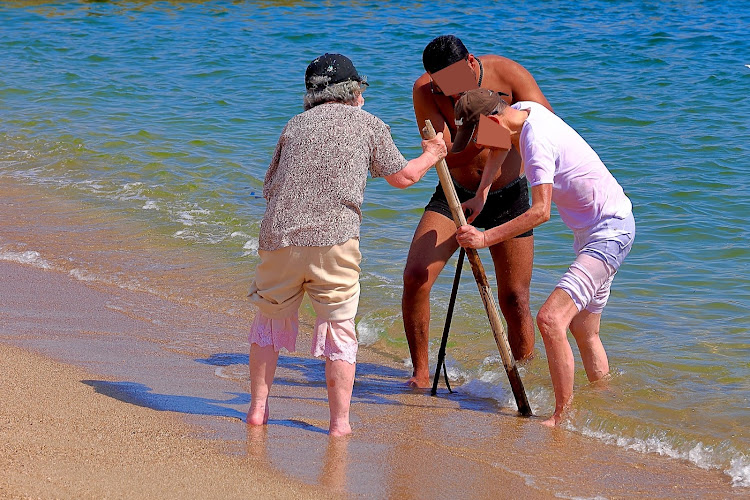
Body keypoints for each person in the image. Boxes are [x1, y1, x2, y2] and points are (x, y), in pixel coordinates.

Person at [247, 53, 447, 436]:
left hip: (279, 236)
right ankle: (339, 423)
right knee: (338, 326)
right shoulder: (368, 124)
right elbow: (403, 177)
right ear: (354, 91)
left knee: (268, 323)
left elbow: (270, 186)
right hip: (334, 240)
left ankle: (258, 410)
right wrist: (433, 153)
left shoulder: (294, 125)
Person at [452, 88, 635, 427]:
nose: (478, 144)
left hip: (610, 232)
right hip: (603, 227)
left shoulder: (536, 143)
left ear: (493, 118)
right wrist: (482, 194)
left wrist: (484, 238)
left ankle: (562, 416)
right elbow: (500, 146)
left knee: (551, 320)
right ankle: (608, 411)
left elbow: (540, 212)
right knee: (584, 329)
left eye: (476, 133)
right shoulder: (521, 112)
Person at [404, 35, 553, 387]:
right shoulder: (425, 91)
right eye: (447, 93)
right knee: (415, 276)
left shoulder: (508, 73)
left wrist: (488, 127)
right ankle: (421, 373)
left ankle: (524, 380)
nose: (455, 99)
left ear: (471, 62)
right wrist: (492, 128)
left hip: (508, 195)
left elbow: (545, 128)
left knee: (514, 298)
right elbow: (446, 153)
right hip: (455, 194)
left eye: (460, 90)